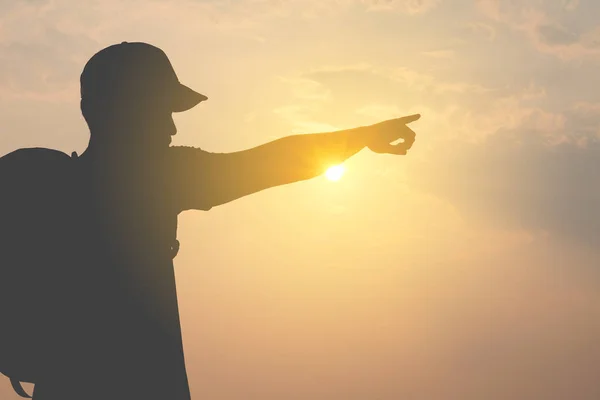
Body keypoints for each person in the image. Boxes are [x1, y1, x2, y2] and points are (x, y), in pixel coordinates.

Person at [30, 41, 420, 400]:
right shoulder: (161, 177)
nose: (171, 127)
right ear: (124, 110)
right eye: (159, 111)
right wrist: (363, 137)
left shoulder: (47, 187)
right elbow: (268, 164)